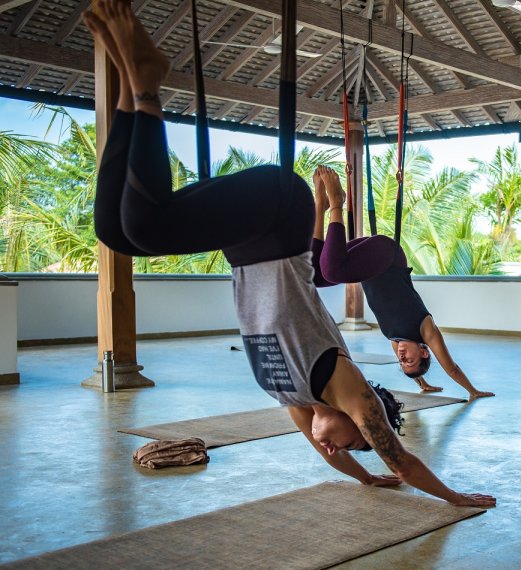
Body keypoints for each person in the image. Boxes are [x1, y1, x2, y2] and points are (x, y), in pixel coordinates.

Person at [83, 0, 494, 507]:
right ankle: (146, 83)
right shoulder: (351, 391)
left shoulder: (298, 401)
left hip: (249, 241)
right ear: (365, 421)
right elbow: (401, 460)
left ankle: (127, 84)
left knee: (119, 233)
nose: (335, 445)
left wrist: (365, 480)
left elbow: (326, 452)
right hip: (277, 211)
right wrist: (456, 498)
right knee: (150, 225)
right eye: (354, 444)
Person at [310, 166, 494, 400]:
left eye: (402, 362)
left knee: (315, 275)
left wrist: (422, 382)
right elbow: (451, 367)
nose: (402, 357)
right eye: (410, 360)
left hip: (367, 262)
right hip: (388, 255)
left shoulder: (394, 340)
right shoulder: (426, 329)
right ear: (425, 352)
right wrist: (473, 391)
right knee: (333, 271)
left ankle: (320, 205)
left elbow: (411, 364)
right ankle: (337, 202)